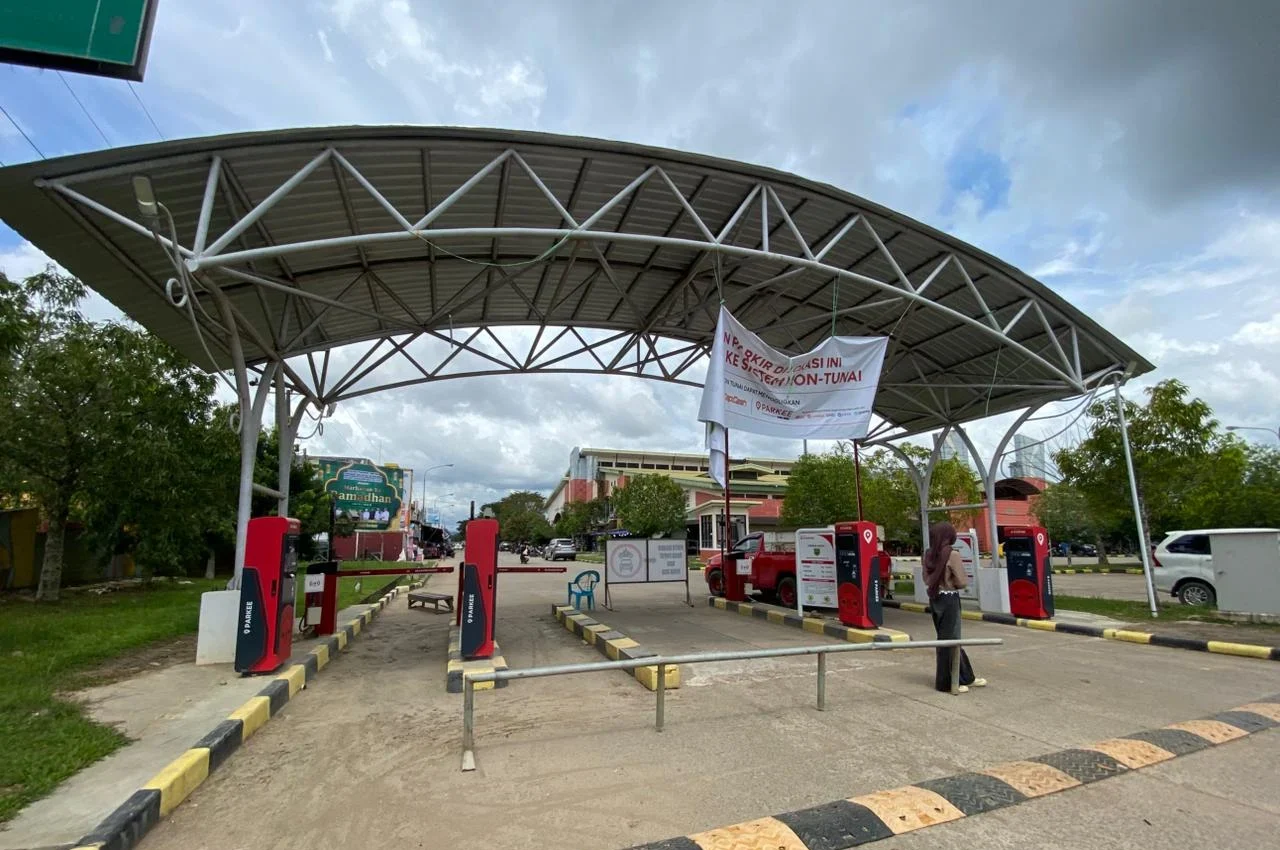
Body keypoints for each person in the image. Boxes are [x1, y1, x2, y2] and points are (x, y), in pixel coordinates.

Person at [922, 521, 987, 694]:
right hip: (950, 599)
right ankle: (945, 683)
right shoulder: (952, 554)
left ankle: (967, 676)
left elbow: (926, 579)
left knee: (948, 639)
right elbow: (962, 581)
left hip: (935, 599)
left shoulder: (928, 554)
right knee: (950, 640)